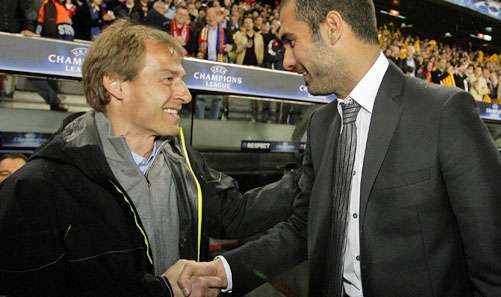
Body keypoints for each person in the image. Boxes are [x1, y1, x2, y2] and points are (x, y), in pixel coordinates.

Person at [177, 0, 501, 296]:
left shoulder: (443, 111)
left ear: (333, 27)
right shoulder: (322, 126)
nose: (287, 62)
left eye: (292, 42)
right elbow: (301, 229)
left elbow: (496, 262)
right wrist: (225, 271)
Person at [0, 20, 296, 297]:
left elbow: (237, 215)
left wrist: (313, 170)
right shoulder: (35, 189)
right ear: (116, 84)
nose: (185, 94)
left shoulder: (183, 160)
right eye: (168, 79)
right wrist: (162, 291)